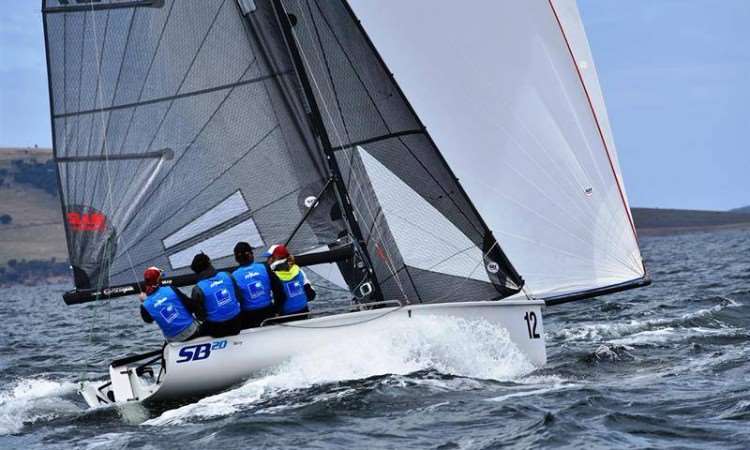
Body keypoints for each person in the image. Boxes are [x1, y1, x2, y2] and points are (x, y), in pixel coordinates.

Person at [230, 242, 286, 329]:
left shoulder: (233, 276)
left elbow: (235, 300)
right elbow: (279, 290)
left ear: (236, 259)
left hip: (249, 317)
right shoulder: (264, 268)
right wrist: (277, 310)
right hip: (268, 313)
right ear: (251, 254)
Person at [139, 266, 202, 342]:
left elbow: (148, 320)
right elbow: (192, 307)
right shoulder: (171, 289)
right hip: (192, 331)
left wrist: (145, 301)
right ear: (158, 280)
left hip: (173, 340)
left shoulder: (145, 305)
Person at [189, 252, 243, 337]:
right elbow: (239, 297)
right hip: (237, 323)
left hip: (216, 329)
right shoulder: (227, 275)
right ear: (209, 263)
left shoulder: (198, 289)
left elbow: (200, 316)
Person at [265, 244, 316, 322]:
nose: (267, 260)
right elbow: (311, 295)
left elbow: (276, 299)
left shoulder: (271, 275)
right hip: (303, 313)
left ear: (273, 258)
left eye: (268, 257)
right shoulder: (298, 270)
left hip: (284, 316)